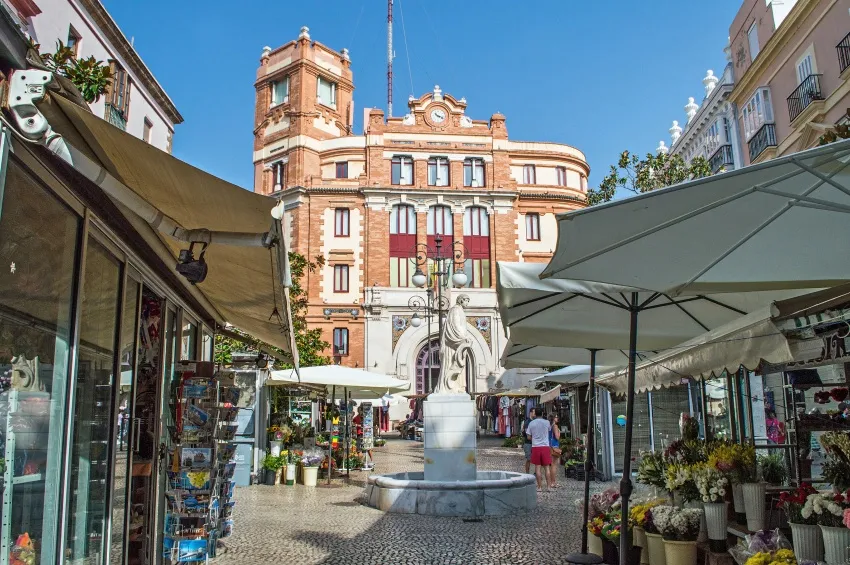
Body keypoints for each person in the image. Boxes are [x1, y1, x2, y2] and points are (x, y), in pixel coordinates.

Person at [525, 406, 552, 492]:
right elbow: (548, 431)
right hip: (545, 447)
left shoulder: (531, 423)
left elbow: (528, 437)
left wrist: (534, 437)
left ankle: (539, 487)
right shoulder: (547, 422)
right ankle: (548, 487)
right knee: (547, 468)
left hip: (536, 447)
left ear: (535, 414)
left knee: (537, 468)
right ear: (543, 413)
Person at [548, 414, 561, 489]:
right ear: (553, 418)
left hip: (549, 445)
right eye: (556, 417)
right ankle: (553, 482)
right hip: (554, 446)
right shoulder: (555, 426)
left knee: (550, 465)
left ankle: (550, 482)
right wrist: (559, 432)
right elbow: (557, 437)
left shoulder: (548, 426)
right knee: (554, 465)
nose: (557, 418)